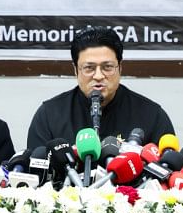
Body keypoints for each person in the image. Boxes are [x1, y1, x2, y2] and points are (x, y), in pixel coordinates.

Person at [27, 27, 175, 148]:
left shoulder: (152, 116)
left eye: (107, 67)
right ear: (76, 70)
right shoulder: (49, 115)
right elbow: (35, 169)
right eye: (89, 68)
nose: (98, 76)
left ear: (120, 68)